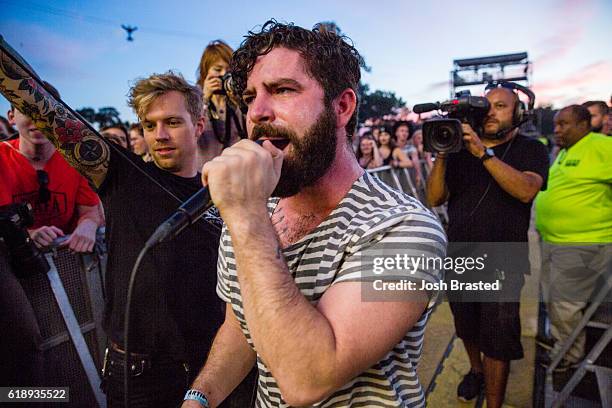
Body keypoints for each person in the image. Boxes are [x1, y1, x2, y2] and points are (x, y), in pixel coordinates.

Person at [183, 21, 446, 408]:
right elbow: (241, 325)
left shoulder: (403, 227)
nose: (256, 112)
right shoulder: (256, 208)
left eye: (283, 90)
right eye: (250, 96)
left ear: (341, 107)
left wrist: (245, 216)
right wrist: (200, 397)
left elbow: (308, 378)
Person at [0, 69, 253, 406]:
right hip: (139, 375)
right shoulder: (121, 174)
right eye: (150, 125)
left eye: (173, 122)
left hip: (211, 369)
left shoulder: (220, 196)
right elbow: (50, 114)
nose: (160, 135)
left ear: (199, 125)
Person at [426, 85, 549, 407]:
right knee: (466, 325)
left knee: (498, 338)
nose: (491, 112)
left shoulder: (531, 148)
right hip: (460, 255)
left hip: (504, 259)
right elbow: (434, 197)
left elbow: (525, 190)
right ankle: (475, 371)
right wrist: (442, 149)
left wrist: (483, 153)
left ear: (519, 114)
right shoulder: (459, 151)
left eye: (501, 106)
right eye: (487, 106)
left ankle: (494, 402)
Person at [0, 83, 103, 389]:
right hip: (17, 281)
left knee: (85, 347)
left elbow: (92, 210)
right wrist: (27, 233)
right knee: (26, 346)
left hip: (70, 282)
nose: (37, 121)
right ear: (11, 116)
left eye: (45, 111)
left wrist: (87, 225)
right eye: (27, 112)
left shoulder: (74, 160)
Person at [535, 104, 612, 370]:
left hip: (582, 242)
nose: (557, 129)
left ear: (584, 124)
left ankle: (568, 356)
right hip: (556, 240)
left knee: (564, 305)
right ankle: (563, 343)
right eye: (556, 124)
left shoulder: (602, 147)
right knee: (556, 302)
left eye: (563, 124)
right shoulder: (566, 151)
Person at [196, 40, 246, 166]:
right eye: (218, 69)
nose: (224, 74)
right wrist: (204, 98)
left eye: (229, 70)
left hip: (236, 174)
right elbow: (188, 133)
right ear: (205, 72)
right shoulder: (193, 99)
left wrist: (239, 101)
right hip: (203, 176)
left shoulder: (237, 102)